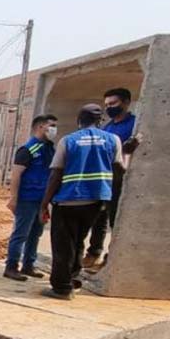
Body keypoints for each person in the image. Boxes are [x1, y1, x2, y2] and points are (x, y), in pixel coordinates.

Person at [39, 104, 124, 300]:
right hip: (96, 200)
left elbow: (56, 174)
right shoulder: (113, 140)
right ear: (100, 121)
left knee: (63, 245)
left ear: (79, 120)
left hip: (69, 199)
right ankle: (72, 279)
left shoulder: (69, 141)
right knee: (78, 241)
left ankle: (61, 288)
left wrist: (45, 203)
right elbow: (119, 169)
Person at [83, 87, 141, 268]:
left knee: (116, 219)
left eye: (113, 103)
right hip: (104, 178)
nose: (109, 107)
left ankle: (112, 256)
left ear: (126, 102)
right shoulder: (108, 127)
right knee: (99, 218)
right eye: (107, 104)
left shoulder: (135, 124)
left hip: (121, 178)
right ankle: (94, 253)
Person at [4, 115, 58, 280]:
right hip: (27, 198)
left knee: (36, 233)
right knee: (21, 233)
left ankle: (29, 265)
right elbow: (16, 175)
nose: (54, 129)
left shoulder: (49, 148)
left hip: (42, 199)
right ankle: (11, 266)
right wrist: (14, 198)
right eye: (51, 125)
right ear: (40, 127)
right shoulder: (28, 149)